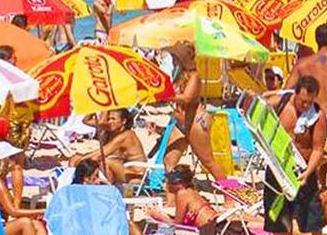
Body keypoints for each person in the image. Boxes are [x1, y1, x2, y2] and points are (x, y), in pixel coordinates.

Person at [265, 76, 327, 235]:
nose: (305, 105)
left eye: (309, 101)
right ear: (295, 95)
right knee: (280, 220)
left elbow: (318, 148)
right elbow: (257, 106)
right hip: (277, 170)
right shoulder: (281, 102)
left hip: (302, 170)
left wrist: (309, 172)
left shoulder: (317, 116)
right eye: (302, 101)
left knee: (314, 218)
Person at [286, 22, 327, 176]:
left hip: (314, 119)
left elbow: (287, 91)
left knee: (315, 173)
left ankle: (321, 195)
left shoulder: (303, 64)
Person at [163, 43, 228, 180]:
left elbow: (187, 98)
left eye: (175, 56)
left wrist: (164, 95)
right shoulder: (178, 74)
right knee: (168, 160)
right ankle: (172, 197)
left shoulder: (194, 76)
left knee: (208, 162)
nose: (173, 59)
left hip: (195, 122)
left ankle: (231, 193)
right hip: (182, 123)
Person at [70, 109, 147, 186]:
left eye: (113, 119)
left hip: (136, 174)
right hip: (123, 169)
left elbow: (101, 153)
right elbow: (86, 121)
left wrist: (81, 159)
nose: (110, 122)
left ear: (123, 121)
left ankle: (107, 190)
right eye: (108, 119)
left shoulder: (127, 135)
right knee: (79, 159)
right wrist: (95, 107)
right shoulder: (112, 131)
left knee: (105, 161)